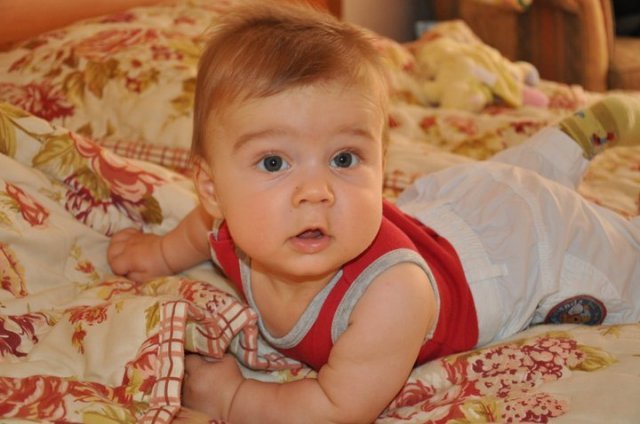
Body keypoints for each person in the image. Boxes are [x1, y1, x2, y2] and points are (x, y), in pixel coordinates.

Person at [107, 2, 640, 423]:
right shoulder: (228, 225)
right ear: (212, 189)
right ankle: (566, 145)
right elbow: (198, 234)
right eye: (273, 162)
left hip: (518, 254)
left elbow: (337, 407)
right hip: (458, 205)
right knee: (506, 183)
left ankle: (571, 151)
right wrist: (158, 254)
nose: (316, 191)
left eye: (344, 158)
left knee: (609, 253)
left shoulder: (390, 295)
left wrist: (233, 398)